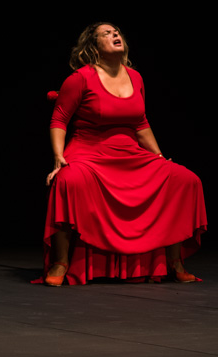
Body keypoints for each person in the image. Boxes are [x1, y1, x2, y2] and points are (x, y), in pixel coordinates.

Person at [41, 22, 207, 286]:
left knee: (183, 179)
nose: (114, 35)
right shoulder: (80, 78)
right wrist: (58, 157)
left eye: (116, 32)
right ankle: (61, 261)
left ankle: (175, 260)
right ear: (93, 47)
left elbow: (141, 123)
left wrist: (160, 157)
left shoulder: (136, 77)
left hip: (129, 154)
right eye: (106, 34)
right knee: (68, 181)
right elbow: (59, 119)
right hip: (89, 152)